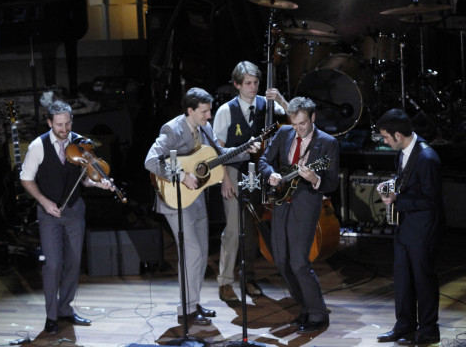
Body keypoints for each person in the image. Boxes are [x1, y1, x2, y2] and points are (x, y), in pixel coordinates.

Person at [144, 87, 260, 325]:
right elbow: (151, 160)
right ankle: (185, 310)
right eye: (205, 111)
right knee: (192, 252)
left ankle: (193, 304)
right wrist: (181, 175)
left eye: (209, 111)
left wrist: (245, 149)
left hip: (195, 197)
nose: (209, 116)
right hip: (174, 198)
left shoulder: (204, 129)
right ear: (190, 111)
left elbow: (221, 155)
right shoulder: (172, 129)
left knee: (201, 252)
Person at [20, 100, 114, 334]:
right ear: (49, 122)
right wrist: (43, 201)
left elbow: (85, 178)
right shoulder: (37, 146)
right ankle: (51, 317)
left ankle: (65, 309)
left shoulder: (80, 143)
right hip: (49, 212)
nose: (64, 129)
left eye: (67, 124)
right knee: (52, 265)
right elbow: (26, 179)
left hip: (74, 210)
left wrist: (100, 184)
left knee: (73, 263)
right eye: (59, 125)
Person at [258, 96, 339, 333]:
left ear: (313, 118)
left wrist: (316, 179)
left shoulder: (327, 143)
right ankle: (305, 305)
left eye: (302, 124)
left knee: (299, 262)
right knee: (281, 260)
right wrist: (270, 173)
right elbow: (264, 160)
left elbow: (332, 182)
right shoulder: (284, 134)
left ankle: (318, 314)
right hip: (281, 202)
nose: (298, 130)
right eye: (294, 124)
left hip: (306, 204)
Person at [212, 61, 288, 302]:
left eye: (256, 83)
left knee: (255, 227)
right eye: (248, 84)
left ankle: (249, 277)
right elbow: (217, 150)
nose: (253, 87)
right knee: (234, 230)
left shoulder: (267, 106)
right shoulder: (226, 110)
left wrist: (282, 101)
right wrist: (224, 179)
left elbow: (297, 118)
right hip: (233, 171)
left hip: (260, 172)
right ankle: (225, 282)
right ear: (236, 85)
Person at [375, 108, 443, 345]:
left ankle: (428, 330)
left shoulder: (427, 158)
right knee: (403, 280)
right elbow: (408, 181)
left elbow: (431, 199)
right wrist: (393, 184)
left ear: (398, 135)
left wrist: (397, 200)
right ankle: (404, 324)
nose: (384, 141)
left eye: (386, 137)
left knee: (423, 281)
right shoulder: (404, 152)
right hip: (405, 229)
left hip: (423, 231)